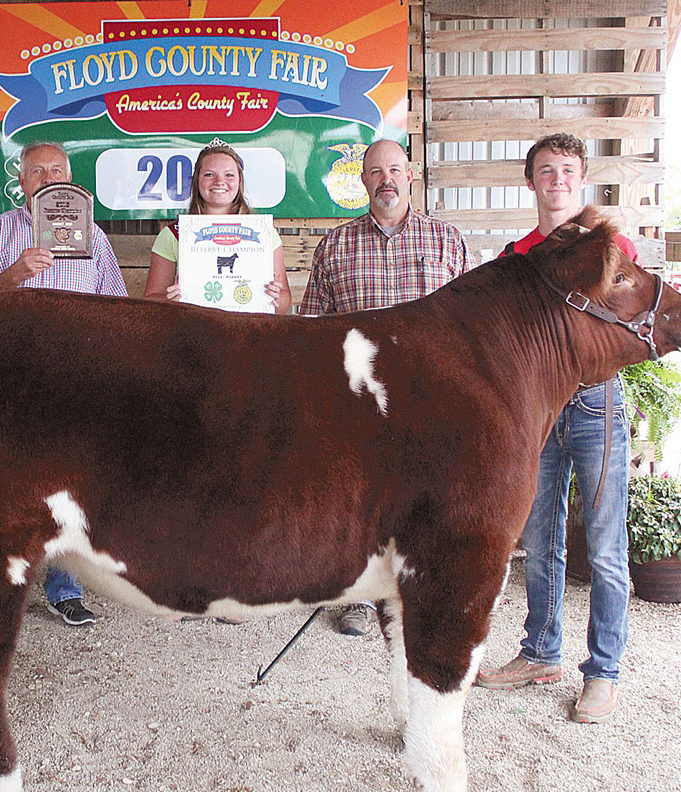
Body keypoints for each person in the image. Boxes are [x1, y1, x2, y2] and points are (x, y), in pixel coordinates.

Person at [475, 132, 640, 723]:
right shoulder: (516, 258)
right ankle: (541, 652)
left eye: (568, 169)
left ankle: (603, 672)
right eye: (546, 171)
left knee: (604, 544)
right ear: (531, 183)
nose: (557, 180)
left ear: (581, 178)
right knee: (539, 539)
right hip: (539, 410)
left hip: (595, 405)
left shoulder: (615, 249)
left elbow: (633, 322)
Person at [299, 138, 477, 636]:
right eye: (376, 172)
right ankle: (362, 595)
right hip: (360, 401)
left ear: (411, 174)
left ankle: (423, 589)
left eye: (395, 169)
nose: (386, 180)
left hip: (431, 396)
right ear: (362, 182)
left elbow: (471, 330)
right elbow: (313, 325)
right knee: (364, 500)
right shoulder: (335, 245)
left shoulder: (449, 241)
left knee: (430, 497)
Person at [0, 140, 127, 627]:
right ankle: (1, 585)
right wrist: (16, 273)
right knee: (11, 484)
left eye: (56, 169)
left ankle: (65, 589)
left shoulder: (93, 236)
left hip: (77, 381)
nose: (48, 177)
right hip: (15, 380)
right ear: (21, 181)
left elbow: (116, 303)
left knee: (69, 486)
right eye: (37, 171)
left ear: (69, 175)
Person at [144, 138, 291, 314]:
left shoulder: (265, 233)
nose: (219, 181)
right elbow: (150, 303)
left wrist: (274, 297)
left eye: (229, 175)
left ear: (239, 181)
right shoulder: (173, 234)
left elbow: (284, 303)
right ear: (196, 181)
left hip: (248, 332)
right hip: (193, 333)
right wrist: (169, 301)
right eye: (209, 174)